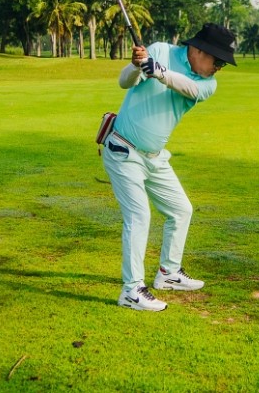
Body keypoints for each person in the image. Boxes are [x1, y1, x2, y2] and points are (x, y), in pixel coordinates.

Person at [101, 23, 237, 312]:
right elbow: (124, 82)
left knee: (181, 210)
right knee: (139, 216)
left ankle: (168, 274)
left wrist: (158, 71)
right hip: (123, 150)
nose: (219, 68)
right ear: (199, 51)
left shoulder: (207, 84)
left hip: (154, 157)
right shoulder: (161, 49)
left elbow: (185, 86)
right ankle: (131, 290)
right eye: (218, 60)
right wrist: (137, 65)